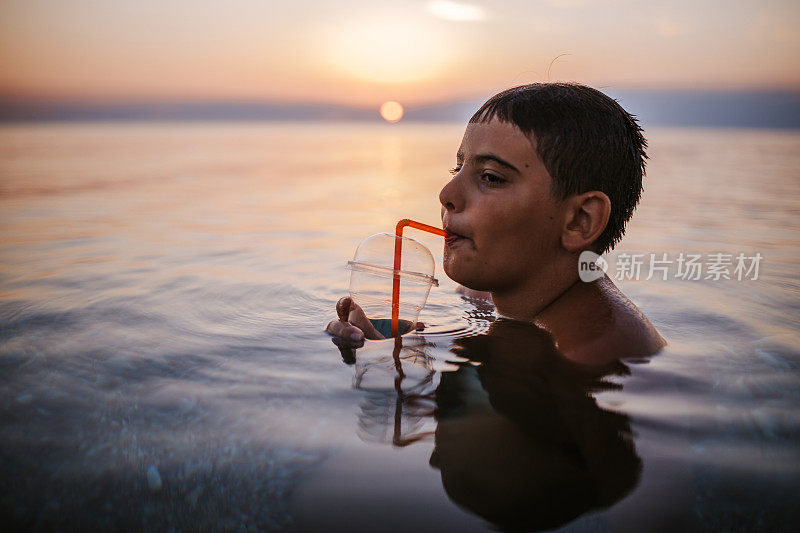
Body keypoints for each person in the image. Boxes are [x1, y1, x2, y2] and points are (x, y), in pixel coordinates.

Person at [327, 82, 665, 363]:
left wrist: (397, 366)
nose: (447, 193)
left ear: (579, 220)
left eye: (490, 177)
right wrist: (385, 340)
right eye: (456, 169)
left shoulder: (588, 353)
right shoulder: (498, 292)